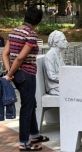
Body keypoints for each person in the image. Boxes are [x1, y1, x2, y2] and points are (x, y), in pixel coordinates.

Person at [2, 6, 49, 151]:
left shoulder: (14, 32)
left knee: (31, 103)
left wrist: (10, 71)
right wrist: (9, 75)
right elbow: (21, 57)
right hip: (26, 74)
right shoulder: (31, 34)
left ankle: (34, 134)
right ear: (38, 21)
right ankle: (24, 142)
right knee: (27, 107)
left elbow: (5, 54)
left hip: (16, 73)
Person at [43, 30, 68, 95]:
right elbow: (51, 76)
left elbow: (64, 71)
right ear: (56, 43)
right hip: (54, 87)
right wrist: (66, 79)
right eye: (63, 40)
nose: (66, 42)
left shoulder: (58, 54)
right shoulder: (50, 55)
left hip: (60, 83)